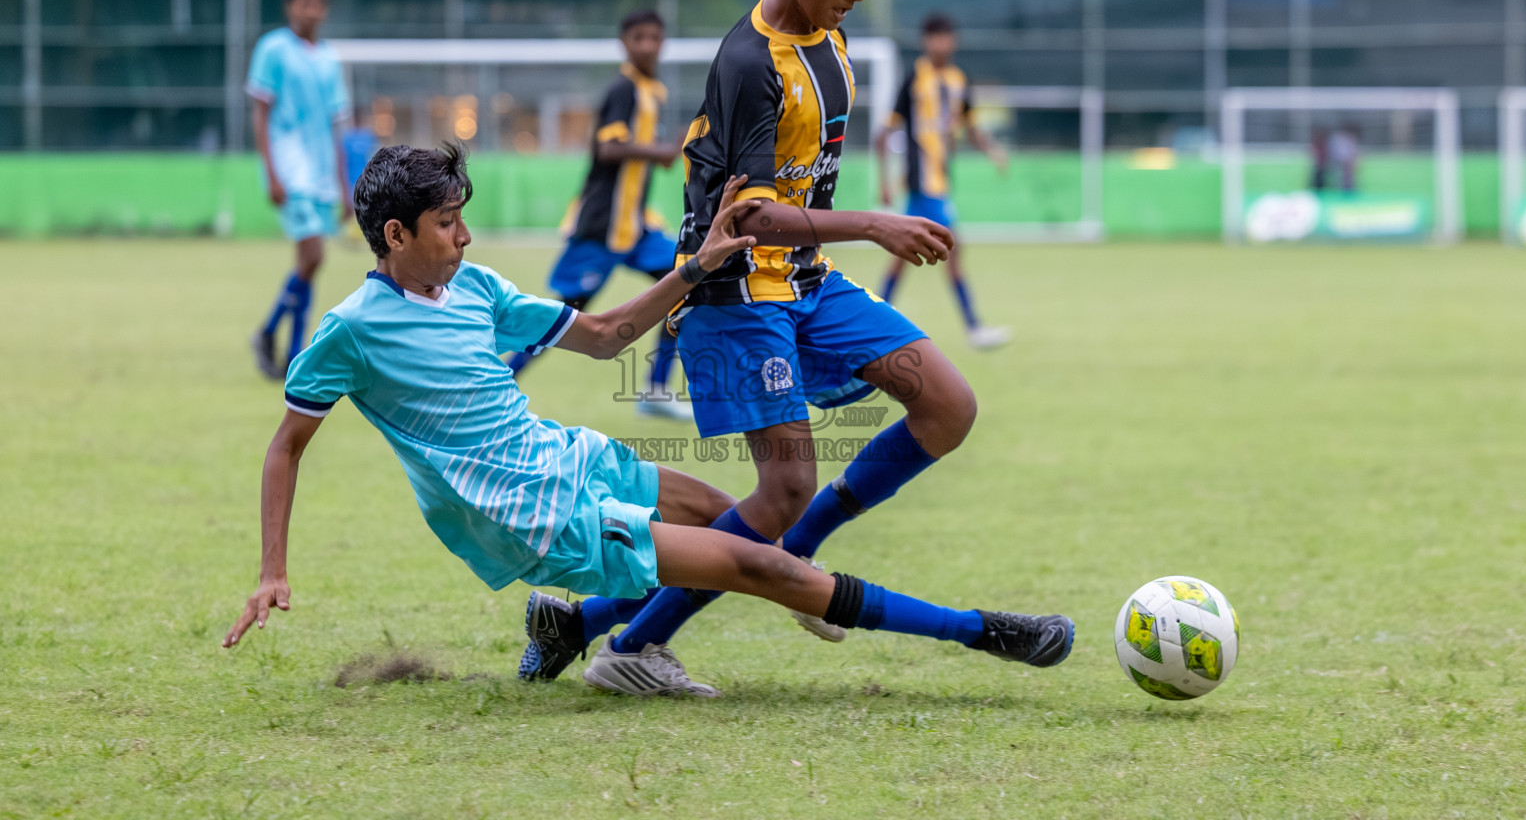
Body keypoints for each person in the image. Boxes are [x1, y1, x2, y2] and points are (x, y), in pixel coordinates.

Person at [220, 146, 1075, 700]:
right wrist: (271, 570)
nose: (466, 235)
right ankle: (983, 634)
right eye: (448, 223)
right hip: (520, 507)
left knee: (729, 515)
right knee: (755, 561)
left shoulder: (475, 289)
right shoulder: (348, 331)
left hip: (562, 453)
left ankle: (580, 625)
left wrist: (694, 269)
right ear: (396, 233)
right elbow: (287, 444)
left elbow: (601, 336)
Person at [514, 0, 1069, 695]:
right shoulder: (749, 62)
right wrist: (878, 223)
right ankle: (629, 645)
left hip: (811, 283)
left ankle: (602, 614)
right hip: (735, 293)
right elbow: (754, 219)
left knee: (948, 405)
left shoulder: (831, 42)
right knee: (781, 492)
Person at [507, 10, 690, 422]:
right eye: (639, 37)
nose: (647, 45)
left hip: (635, 227)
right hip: (601, 227)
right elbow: (609, 149)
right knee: (566, 314)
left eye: (655, 38)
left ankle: (657, 390)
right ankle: (501, 378)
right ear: (624, 42)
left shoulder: (651, 91)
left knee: (683, 285)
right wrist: (660, 151)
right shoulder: (623, 89)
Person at [874, 13, 1010, 350]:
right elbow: (884, 133)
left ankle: (874, 320)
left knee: (905, 256)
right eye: (935, 38)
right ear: (926, 42)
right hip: (922, 184)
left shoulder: (958, 80)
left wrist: (993, 150)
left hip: (942, 182)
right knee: (951, 248)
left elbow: (972, 126)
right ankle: (974, 328)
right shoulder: (913, 80)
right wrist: (886, 181)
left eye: (946, 37)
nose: (941, 44)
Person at [247, 0, 352, 379]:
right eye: (306, 3)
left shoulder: (329, 59)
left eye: (320, 4)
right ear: (290, 6)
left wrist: (345, 186)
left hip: (322, 174)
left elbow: (336, 125)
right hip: (289, 170)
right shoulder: (273, 48)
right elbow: (260, 112)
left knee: (309, 263)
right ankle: (292, 351)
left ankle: (272, 333)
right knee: (314, 256)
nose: (313, 11)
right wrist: (271, 171)